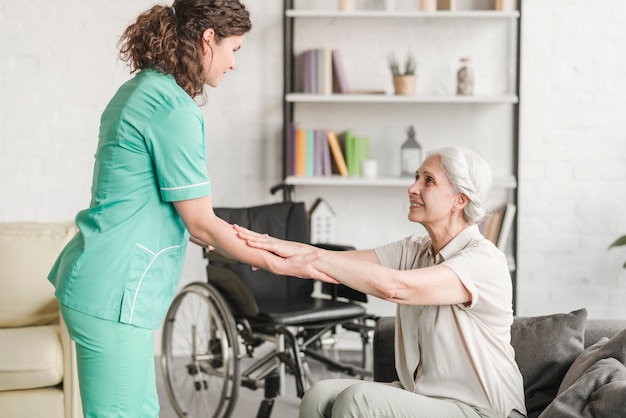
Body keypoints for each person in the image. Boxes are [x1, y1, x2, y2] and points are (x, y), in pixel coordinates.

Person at [47, 1, 324, 417]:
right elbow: (201, 222)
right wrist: (283, 263)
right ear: (207, 39)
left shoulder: (144, 90)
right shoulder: (172, 108)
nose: (233, 64)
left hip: (106, 281)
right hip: (114, 290)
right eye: (235, 49)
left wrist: (247, 244)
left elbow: (188, 218)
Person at [235, 146, 527, 418]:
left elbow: (396, 287)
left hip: (484, 409)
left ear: (459, 200)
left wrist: (310, 257)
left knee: (357, 400)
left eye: (428, 181)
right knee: (317, 395)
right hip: (428, 398)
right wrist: (255, 246)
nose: (412, 188)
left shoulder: (484, 260)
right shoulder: (414, 249)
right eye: (416, 178)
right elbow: (331, 264)